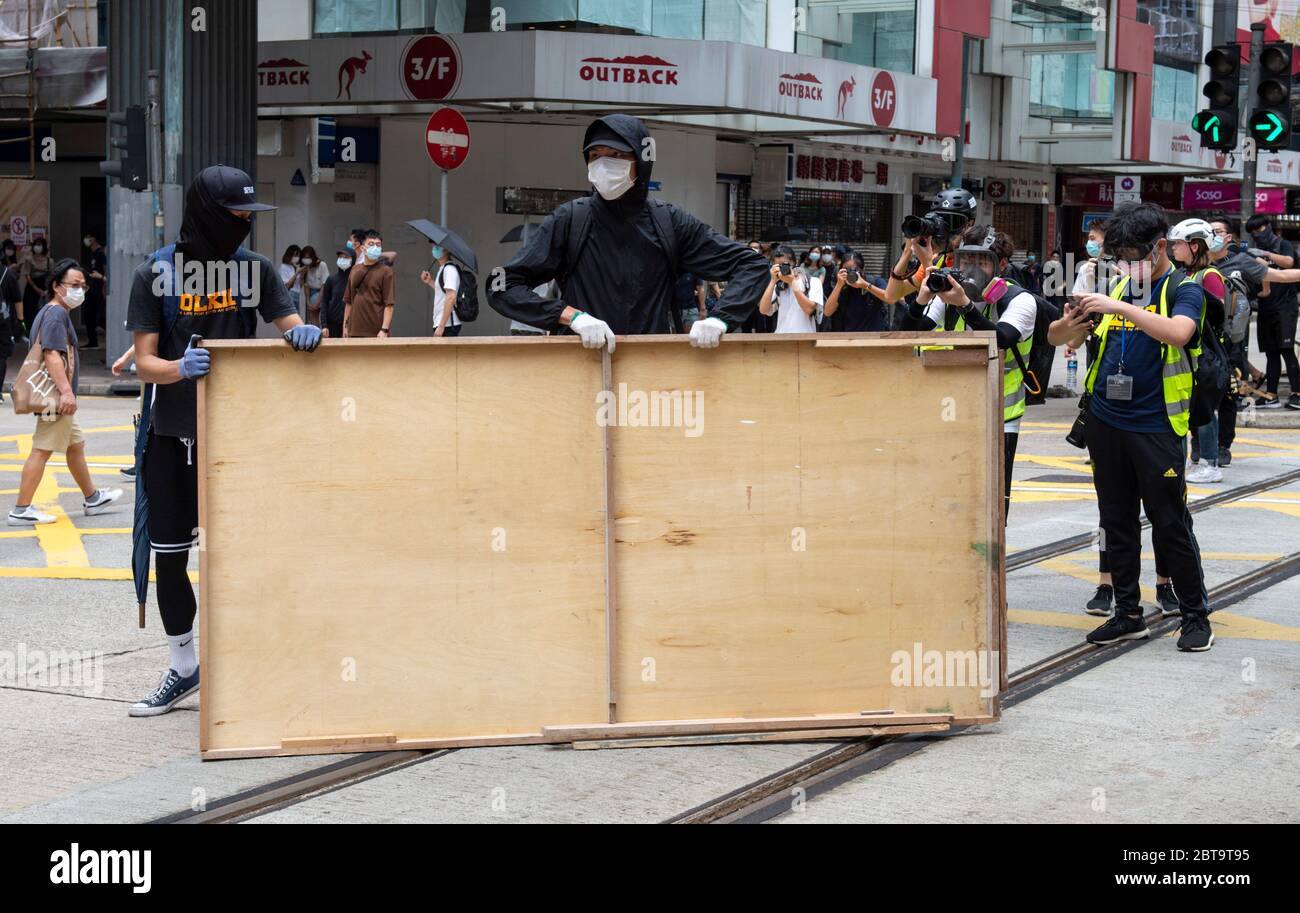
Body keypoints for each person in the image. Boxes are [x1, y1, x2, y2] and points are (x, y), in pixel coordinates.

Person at [125, 164, 322, 716]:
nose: (245, 224)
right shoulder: (156, 274)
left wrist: (305, 335)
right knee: (169, 555)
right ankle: (183, 665)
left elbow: (290, 327)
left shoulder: (255, 271)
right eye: (238, 215)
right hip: (171, 436)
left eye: (250, 215)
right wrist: (178, 369)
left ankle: (255, 663)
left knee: (242, 554)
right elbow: (143, 362)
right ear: (210, 215)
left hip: (238, 437)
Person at [1049, 202, 1213, 652]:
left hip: (1156, 427)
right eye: (1119, 258)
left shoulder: (1184, 289)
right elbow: (1058, 339)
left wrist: (1119, 305)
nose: (1127, 266)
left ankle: (1196, 616)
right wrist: (1070, 323)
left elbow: (1179, 333)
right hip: (1107, 422)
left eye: (1135, 257)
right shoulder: (1120, 286)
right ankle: (1127, 613)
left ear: (1160, 247)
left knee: (1170, 523)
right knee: (1115, 520)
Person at [488, 114, 768, 351]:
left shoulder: (669, 222)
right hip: (579, 366)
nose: (603, 165)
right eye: (595, 156)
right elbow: (501, 285)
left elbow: (752, 265)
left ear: (643, 160)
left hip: (650, 370)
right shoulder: (570, 219)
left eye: (617, 155)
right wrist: (571, 317)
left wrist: (720, 319)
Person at [910, 224, 1037, 519]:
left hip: (1000, 417)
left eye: (982, 261)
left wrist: (966, 306)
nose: (972, 268)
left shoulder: (1019, 300)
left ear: (1001, 265)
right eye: (966, 259)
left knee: (991, 502)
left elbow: (1000, 340)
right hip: (950, 412)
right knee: (947, 497)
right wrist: (921, 300)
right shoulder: (949, 297)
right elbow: (907, 335)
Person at [7, 259, 123, 526]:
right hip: (54, 398)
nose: (80, 290)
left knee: (75, 446)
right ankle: (21, 509)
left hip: (55, 397)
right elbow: (51, 355)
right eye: (74, 285)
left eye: (83, 285)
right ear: (57, 287)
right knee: (42, 449)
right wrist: (66, 393)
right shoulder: (56, 314)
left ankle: (92, 498)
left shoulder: (51, 311)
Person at [1168, 218, 1230, 484]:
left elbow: (1214, 317)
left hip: (1204, 353)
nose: (1173, 249)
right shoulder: (1187, 275)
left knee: (1205, 409)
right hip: (1189, 352)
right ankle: (1199, 459)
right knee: (1194, 407)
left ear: (1194, 246)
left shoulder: (1209, 276)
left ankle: (1210, 462)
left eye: (1178, 244)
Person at [881, 188, 980, 306]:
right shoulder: (937, 260)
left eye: (953, 221)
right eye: (941, 220)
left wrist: (927, 262)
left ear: (970, 223)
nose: (945, 228)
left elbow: (945, 303)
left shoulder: (977, 262)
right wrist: (907, 252)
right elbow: (891, 295)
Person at [1244, 214, 1299, 409]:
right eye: (1253, 233)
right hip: (1266, 307)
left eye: (1259, 230)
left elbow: (1288, 262)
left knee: (1286, 350)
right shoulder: (1257, 254)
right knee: (1271, 353)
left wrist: (1266, 254)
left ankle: (1296, 394)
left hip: (1285, 306)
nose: (1258, 235)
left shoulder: (1282, 244)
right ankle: (1271, 395)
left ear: (1268, 226)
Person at [344, 230, 396, 338]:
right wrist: (345, 327)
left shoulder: (386, 271)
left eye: (378, 245)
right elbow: (348, 302)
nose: (375, 248)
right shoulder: (354, 269)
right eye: (371, 244)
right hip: (354, 331)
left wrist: (384, 330)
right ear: (363, 248)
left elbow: (389, 304)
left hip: (376, 332)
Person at [759, 245, 822, 334]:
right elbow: (763, 310)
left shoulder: (813, 282)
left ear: (795, 263)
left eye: (785, 265)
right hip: (781, 338)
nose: (782, 269)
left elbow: (809, 309)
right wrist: (773, 280)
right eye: (778, 266)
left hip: (805, 338)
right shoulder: (779, 285)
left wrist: (792, 282)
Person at [824, 252, 889, 332]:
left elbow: (889, 298)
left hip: (874, 338)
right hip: (850, 340)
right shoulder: (841, 287)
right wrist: (839, 285)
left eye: (853, 269)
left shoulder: (876, 282)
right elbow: (827, 312)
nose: (850, 273)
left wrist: (865, 285)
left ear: (863, 269)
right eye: (846, 270)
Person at [420, 241, 463, 337]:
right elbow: (443, 294)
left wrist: (441, 326)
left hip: (448, 325)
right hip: (443, 323)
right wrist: (430, 281)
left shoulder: (449, 270)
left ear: (446, 250)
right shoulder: (443, 269)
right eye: (433, 246)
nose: (434, 249)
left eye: (437, 246)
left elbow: (451, 297)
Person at [20, 237, 51, 340]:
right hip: (32, 288)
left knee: (44, 311)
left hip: (45, 289)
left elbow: (52, 275)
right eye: (36, 244)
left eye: (40, 244)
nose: (38, 247)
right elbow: (27, 275)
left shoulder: (49, 260)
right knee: (29, 310)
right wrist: (36, 288)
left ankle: (43, 333)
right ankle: (28, 333)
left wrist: (47, 289)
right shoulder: (29, 259)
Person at [82, 232, 108, 349]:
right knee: (89, 316)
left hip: (99, 289)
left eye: (89, 237)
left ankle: (112, 340)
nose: (87, 239)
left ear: (94, 238)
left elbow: (106, 270)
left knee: (100, 317)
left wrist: (103, 283)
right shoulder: (91, 253)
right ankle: (92, 341)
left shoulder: (101, 253)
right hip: (91, 288)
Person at [0, 254, 20, 400]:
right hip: (3, 323)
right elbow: (17, 299)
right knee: (1, 357)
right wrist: (21, 320)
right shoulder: (8, 274)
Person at [321, 247, 352, 339]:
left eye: (346, 257)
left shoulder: (355, 279)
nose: (342, 259)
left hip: (351, 325)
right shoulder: (331, 279)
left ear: (353, 260)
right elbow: (324, 303)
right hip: (332, 325)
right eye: (340, 257)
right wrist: (324, 325)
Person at [296, 245, 330, 327]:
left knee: (321, 317)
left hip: (322, 292)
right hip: (311, 293)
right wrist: (308, 302)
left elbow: (324, 285)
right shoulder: (304, 268)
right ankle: (316, 333)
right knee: (312, 318)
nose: (306, 259)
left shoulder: (322, 265)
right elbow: (305, 286)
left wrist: (318, 302)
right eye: (304, 257)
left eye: (308, 257)